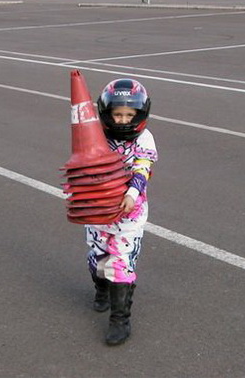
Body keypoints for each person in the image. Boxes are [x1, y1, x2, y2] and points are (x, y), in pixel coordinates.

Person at [85, 78, 158, 346]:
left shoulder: (144, 138)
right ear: (107, 113)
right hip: (98, 212)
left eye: (130, 115)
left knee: (120, 264)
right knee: (97, 261)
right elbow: (84, 164)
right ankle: (101, 289)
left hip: (129, 214)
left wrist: (131, 194)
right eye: (118, 114)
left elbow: (142, 168)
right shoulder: (97, 135)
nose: (124, 121)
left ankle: (120, 319)